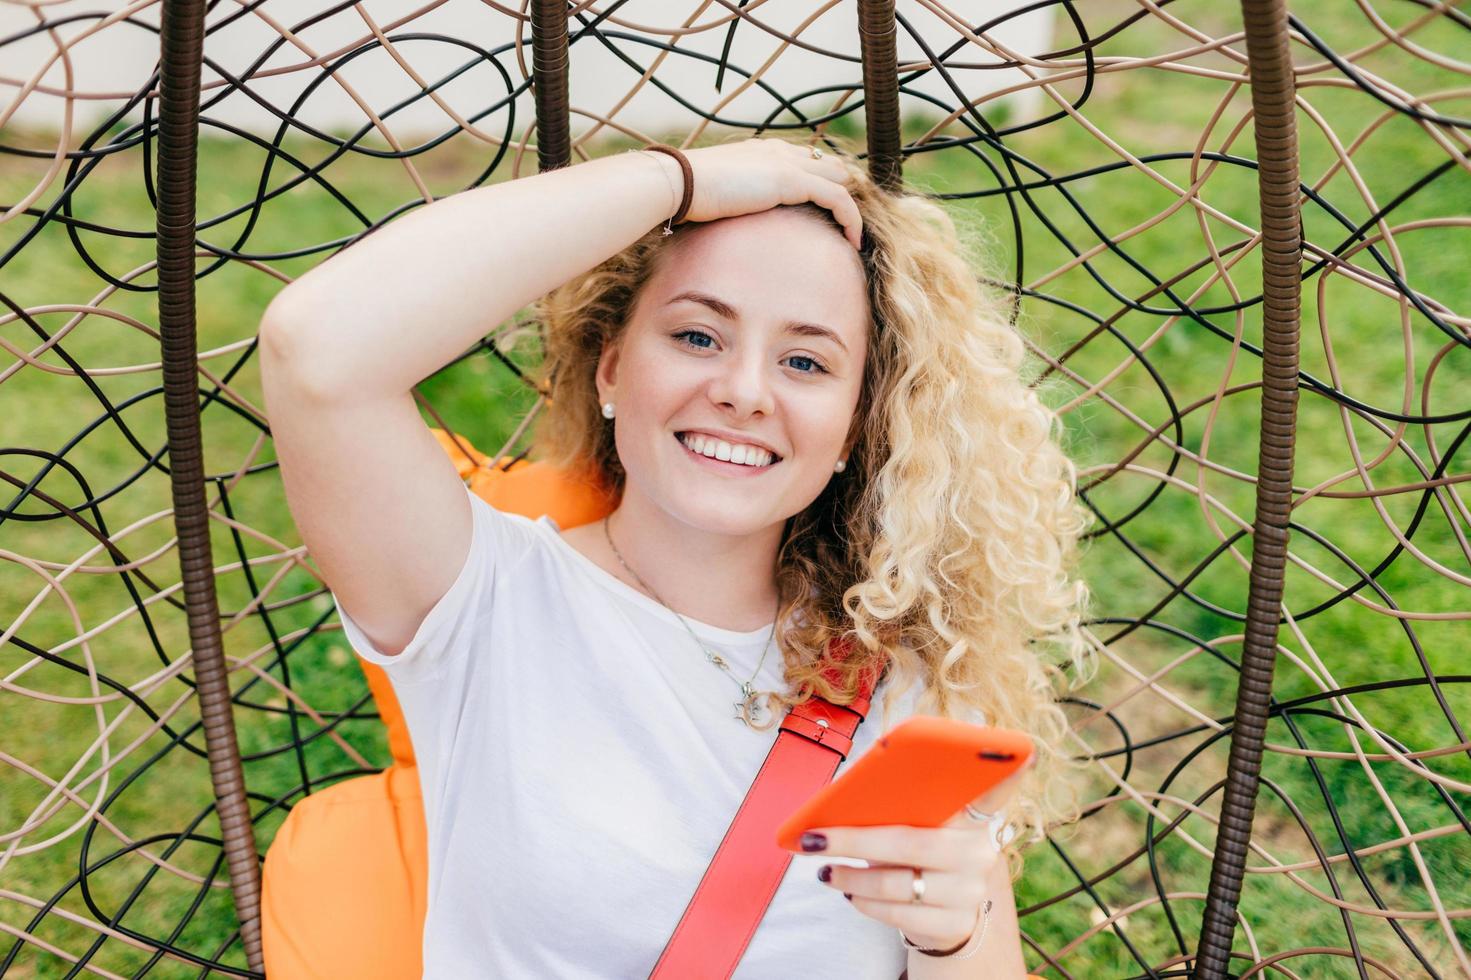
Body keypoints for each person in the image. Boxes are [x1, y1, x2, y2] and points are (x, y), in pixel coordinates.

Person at [258, 135, 1090, 979]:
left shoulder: (909, 669)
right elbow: (317, 347)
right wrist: (680, 179)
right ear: (612, 370)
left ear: (854, 429)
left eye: (805, 361)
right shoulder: (476, 598)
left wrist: (950, 933)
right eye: (698, 336)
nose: (743, 390)